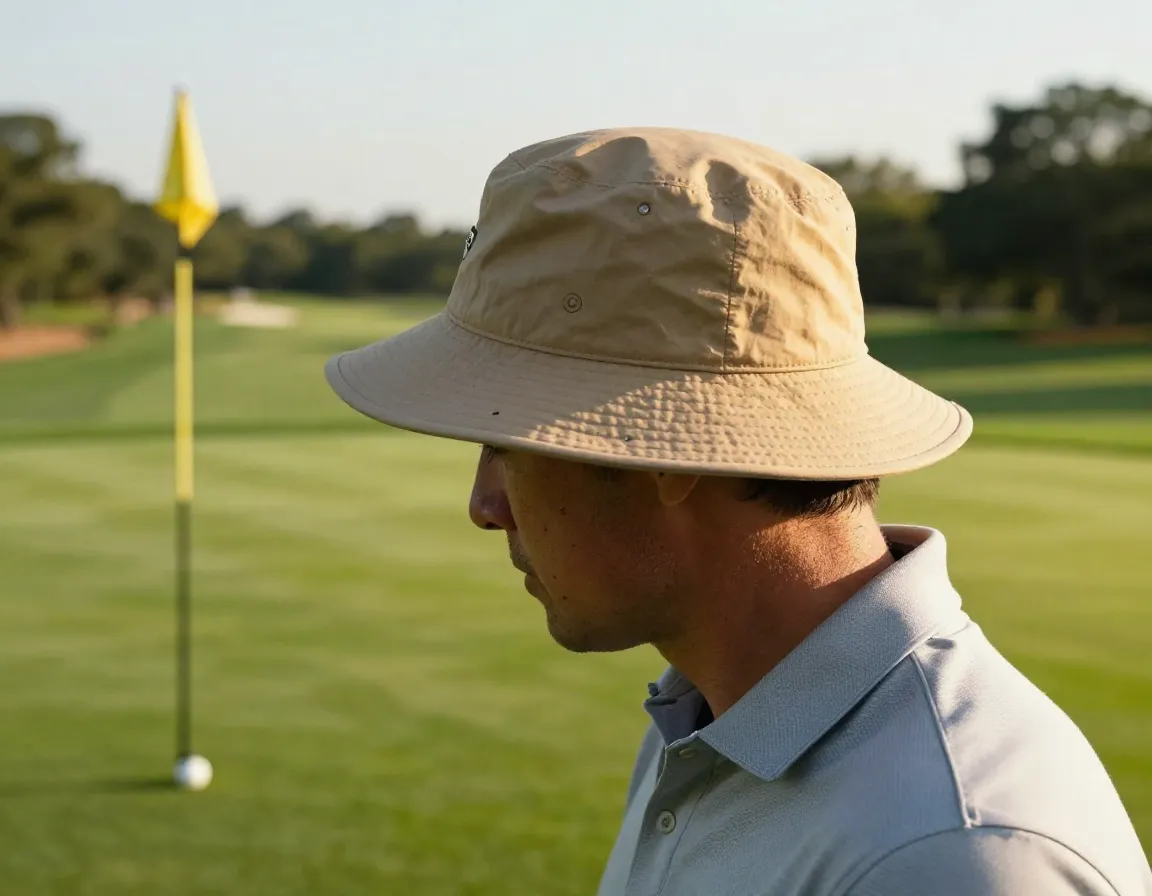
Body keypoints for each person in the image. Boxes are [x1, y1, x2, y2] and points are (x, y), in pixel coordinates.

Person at [325, 127, 1151, 895]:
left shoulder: (952, 855)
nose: (484, 505)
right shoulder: (712, 715)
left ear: (664, 450)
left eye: (509, 441)